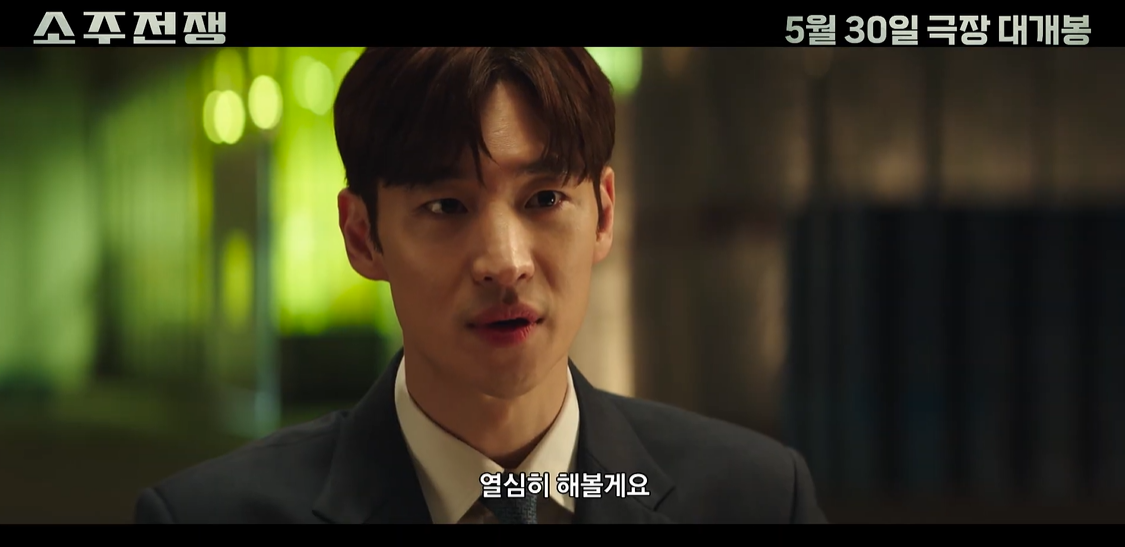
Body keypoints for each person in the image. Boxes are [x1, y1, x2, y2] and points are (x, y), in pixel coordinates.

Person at [133, 47, 827, 524]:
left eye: (545, 198)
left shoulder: (756, 499)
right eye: (446, 206)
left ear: (603, 215)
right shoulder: (209, 515)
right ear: (362, 236)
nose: (504, 261)